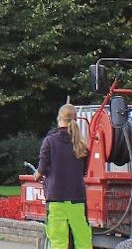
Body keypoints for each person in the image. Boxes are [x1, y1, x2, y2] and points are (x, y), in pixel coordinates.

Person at [37, 103, 93, 249]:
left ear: (59, 118)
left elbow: (41, 170)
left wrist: (37, 175)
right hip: (77, 199)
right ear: (75, 119)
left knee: (58, 242)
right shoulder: (82, 145)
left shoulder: (49, 141)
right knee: (83, 240)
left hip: (56, 199)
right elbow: (83, 171)